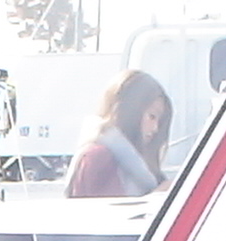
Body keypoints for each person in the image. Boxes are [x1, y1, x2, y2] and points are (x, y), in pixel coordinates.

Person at [65, 69, 172, 198]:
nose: (155, 128)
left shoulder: (137, 163)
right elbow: (104, 215)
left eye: (159, 122)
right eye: (152, 116)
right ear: (130, 110)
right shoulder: (98, 157)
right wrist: (157, 197)